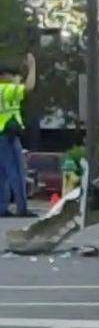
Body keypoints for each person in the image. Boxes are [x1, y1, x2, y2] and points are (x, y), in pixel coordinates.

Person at [0, 53, 36, 217]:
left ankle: (2, 207)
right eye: (10, 74)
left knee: (2, 173)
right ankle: (22, 208)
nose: (13, 77)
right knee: (16, 171)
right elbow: (29, 87)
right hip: (7, 135)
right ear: (2, 77)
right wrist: (32, 67)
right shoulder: (7, 89)